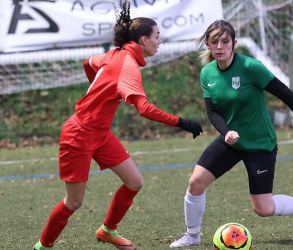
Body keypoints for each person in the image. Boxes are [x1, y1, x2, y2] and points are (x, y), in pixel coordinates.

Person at [32, 2, 203, 250]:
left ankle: (107, 231)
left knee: (134, 182)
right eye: (157, 37)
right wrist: (181, 122)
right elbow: (144, 108)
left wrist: (101, 92)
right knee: (74, 202)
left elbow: (89, 63)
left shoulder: (117, 55)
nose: (159, 41)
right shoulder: (129, 66)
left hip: (100, 134)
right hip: (78, 135)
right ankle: (42, 246)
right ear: (143, 40)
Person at [169, 20, 293, 248]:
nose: (219, 46)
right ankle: (192, 236)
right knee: (196, 182)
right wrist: (226, 133)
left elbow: (285, 94)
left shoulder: (250, 67)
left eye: (225, 41)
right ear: (208, 44)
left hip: (259, 142)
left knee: (263, 208)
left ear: (234, 43)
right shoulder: (207, 73)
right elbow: (212, 111)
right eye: (214, 41)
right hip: (231, 140)